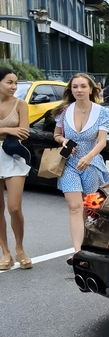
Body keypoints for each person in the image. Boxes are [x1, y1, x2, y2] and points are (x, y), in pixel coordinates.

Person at [51, 74, 109, 263]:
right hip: (69, 163)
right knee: (74, 207)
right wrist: (64, 140)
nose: (79, 90)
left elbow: (102, 141)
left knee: (90, 208)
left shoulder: (101, 112)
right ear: (70, 90)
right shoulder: (64, 111)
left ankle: (91, 245)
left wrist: (88, 157)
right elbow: (56, 135)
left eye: (83, 86)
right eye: (75, 87)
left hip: (91, 162)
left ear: (91, 89)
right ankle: (78, 252)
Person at [0, 67, 31, 270]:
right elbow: (15, 130)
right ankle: (6, 252)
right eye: (9, 82)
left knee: (14, 207)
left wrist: (6, 131)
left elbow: (24, 133)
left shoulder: (21, 104)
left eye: (15, 83)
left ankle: (19, 247)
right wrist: (7, 129)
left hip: (12, 156)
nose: (13, 86)